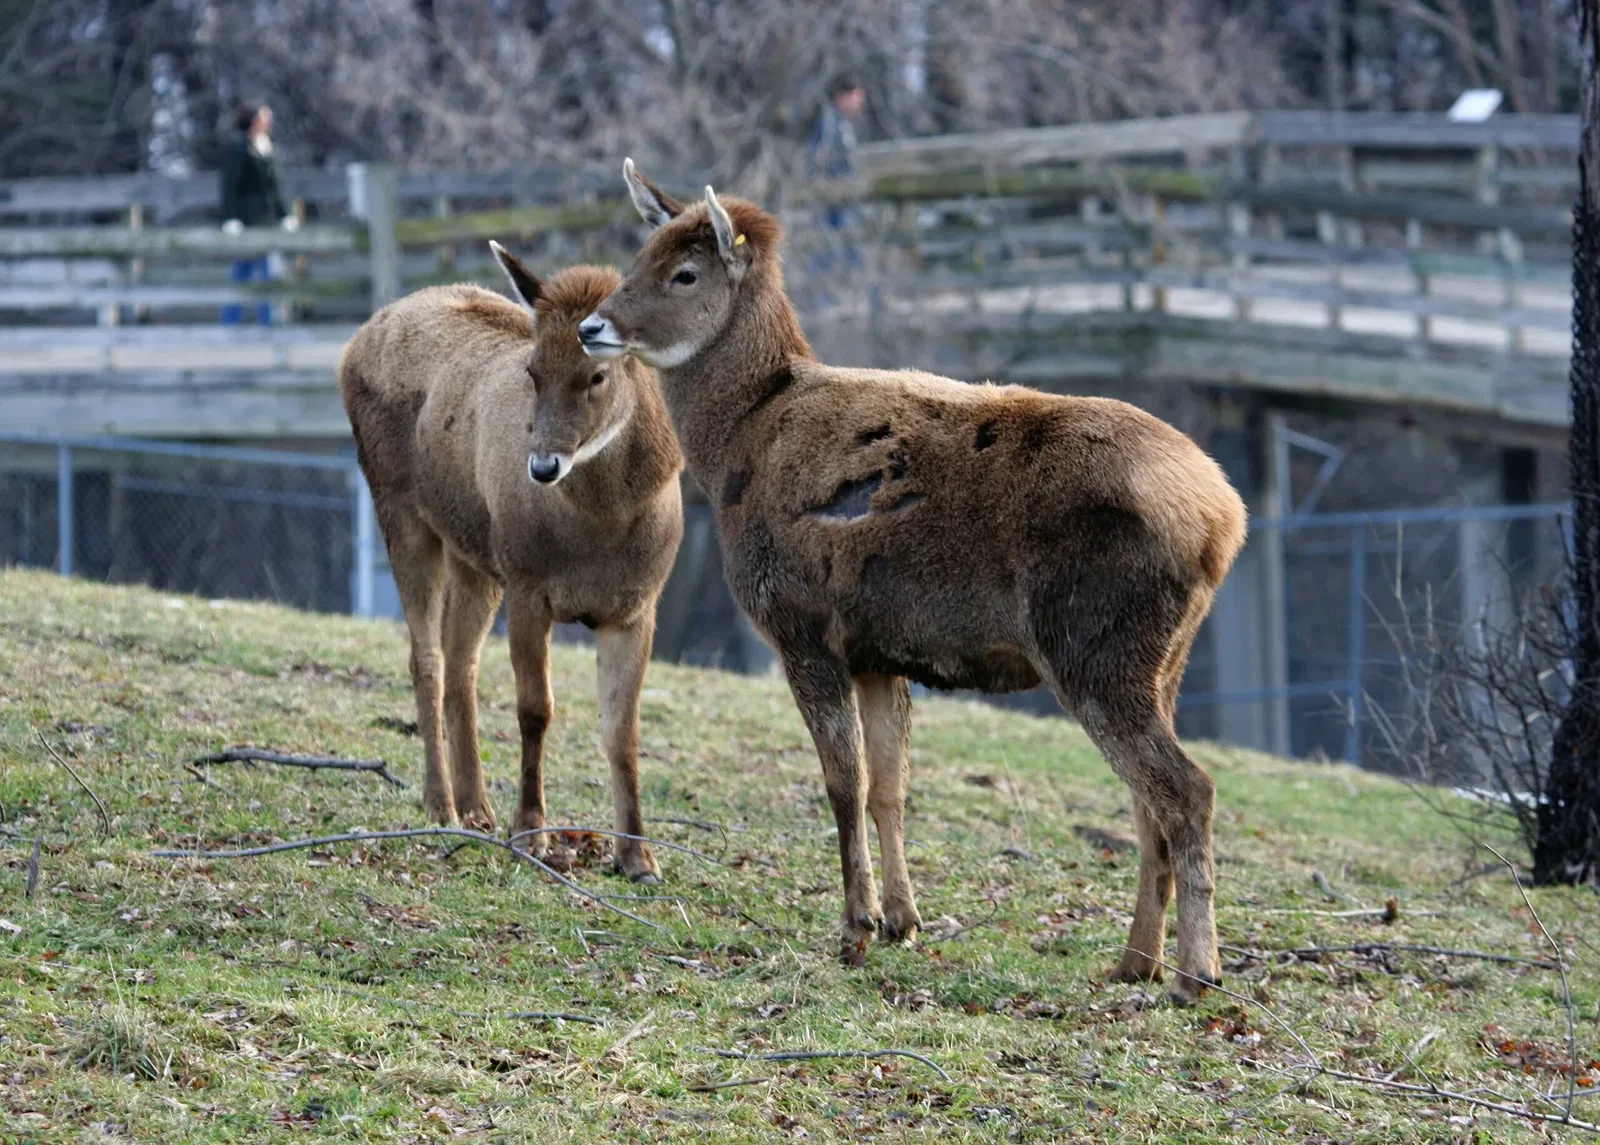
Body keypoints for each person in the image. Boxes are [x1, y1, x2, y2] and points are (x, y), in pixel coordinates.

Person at [218, 101, 297, 324]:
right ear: (253, 120)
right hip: (246, 220)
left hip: (269, 219)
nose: (268, 122)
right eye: (264, 117)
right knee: (243, 271)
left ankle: (268, 322)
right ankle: (231, 323)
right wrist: (230, 218)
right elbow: (230, 185)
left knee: (268, 272)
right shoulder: (238, 146)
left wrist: (284, 215)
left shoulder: (267, 146)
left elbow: (274, 187)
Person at [805, 76, 867, 280]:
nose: (859, 103)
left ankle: (854, 293)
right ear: (842, 97)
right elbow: (820, 160)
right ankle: (823, 299)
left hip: (842, 196)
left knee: (849, 247)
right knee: (828, 249)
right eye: (855, 97)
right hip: (832, 198)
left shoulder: (842, 123)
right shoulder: (830, 123)